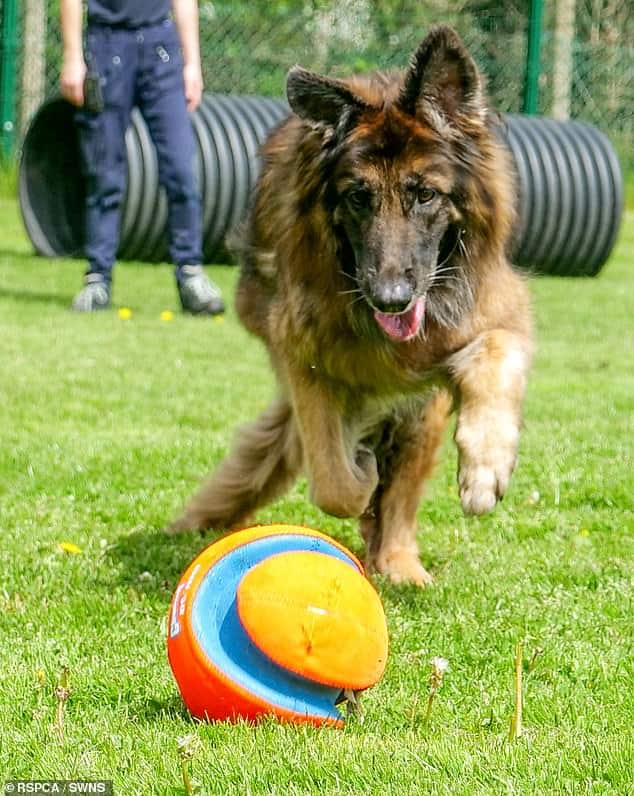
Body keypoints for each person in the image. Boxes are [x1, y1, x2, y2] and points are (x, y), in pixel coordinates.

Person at [59, 0, 225, 315]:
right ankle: (98, 280)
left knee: (181, 171)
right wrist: (72, 56)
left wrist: (192, 63)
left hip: (160, 48)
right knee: (104, 173)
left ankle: (191, 275)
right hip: (106, 45)